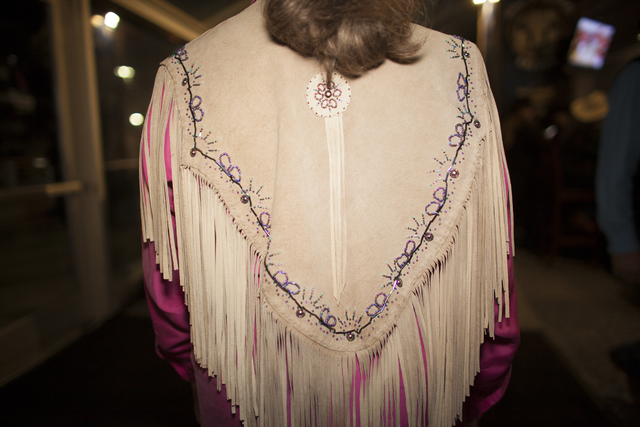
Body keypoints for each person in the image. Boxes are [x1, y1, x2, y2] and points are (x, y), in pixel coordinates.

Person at [139, 1, 519, 426]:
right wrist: (477, 387)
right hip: (414, 395)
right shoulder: (460, 67)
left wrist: (197, 374)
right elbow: (493, 291)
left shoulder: (189, 73)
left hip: (246, 396)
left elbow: (169, 291)